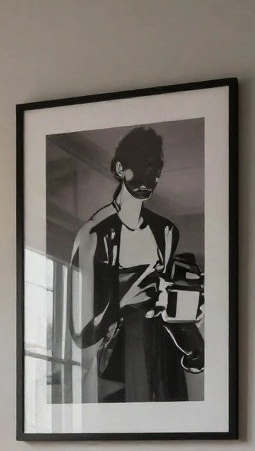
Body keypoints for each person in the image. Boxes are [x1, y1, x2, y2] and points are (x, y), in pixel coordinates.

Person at [70, 125, 204, 403]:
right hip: (118, 361)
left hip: (162, 355)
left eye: (156, 170)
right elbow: (80, 333)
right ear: (120, 168)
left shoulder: (165, 230)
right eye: (141, 168)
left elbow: (164, 300)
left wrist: (187, 315)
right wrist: (124, 299)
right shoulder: (94, 233)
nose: (149, 178)